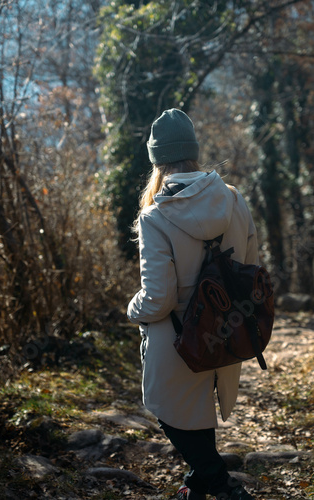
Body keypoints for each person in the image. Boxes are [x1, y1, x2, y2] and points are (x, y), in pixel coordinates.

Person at [127, 109, 257, 500]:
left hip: (178, 341)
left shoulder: (155, 216)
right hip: (226, 330)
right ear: (194, 152)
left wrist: (131, 310)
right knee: (197, 410)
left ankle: (222, 485)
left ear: (157, 161)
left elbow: (158, 298)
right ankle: (196, 487)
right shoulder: (233, 200)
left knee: (172, 413)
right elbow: (253, 269)